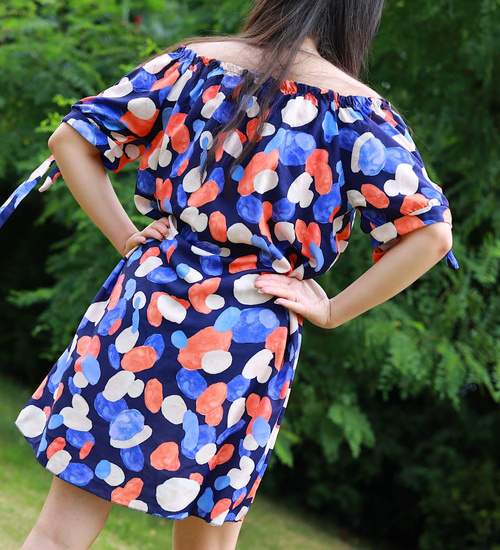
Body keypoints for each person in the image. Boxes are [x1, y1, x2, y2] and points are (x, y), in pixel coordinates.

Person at [0, 0, 459, 548]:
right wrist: (333, 310)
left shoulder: (191, 64)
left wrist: (126, 237)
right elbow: (431, 234)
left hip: (145, 309)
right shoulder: (358, 113)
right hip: (246, 336)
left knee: (58, 533)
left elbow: (70, 140)